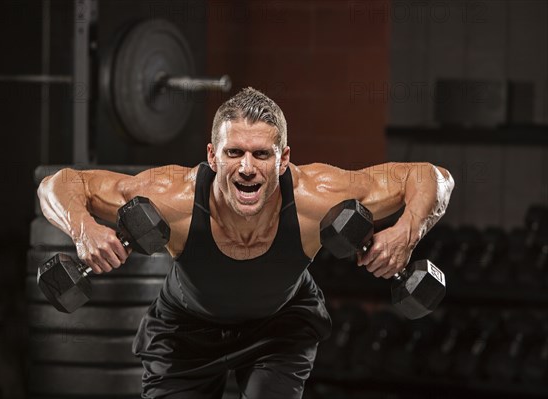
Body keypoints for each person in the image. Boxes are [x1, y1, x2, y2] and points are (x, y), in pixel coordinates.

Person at [37, 87, 454, 398]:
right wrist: (82, 229)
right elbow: (59, 183)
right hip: (185, 330)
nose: (248, 168)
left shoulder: (317, 195)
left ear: (284, 158)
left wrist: (407, 231)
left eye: (262, 155)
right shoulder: (173, 196)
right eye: (234, 152)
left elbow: (431, 176)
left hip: (281, 325)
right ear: (212, 156)